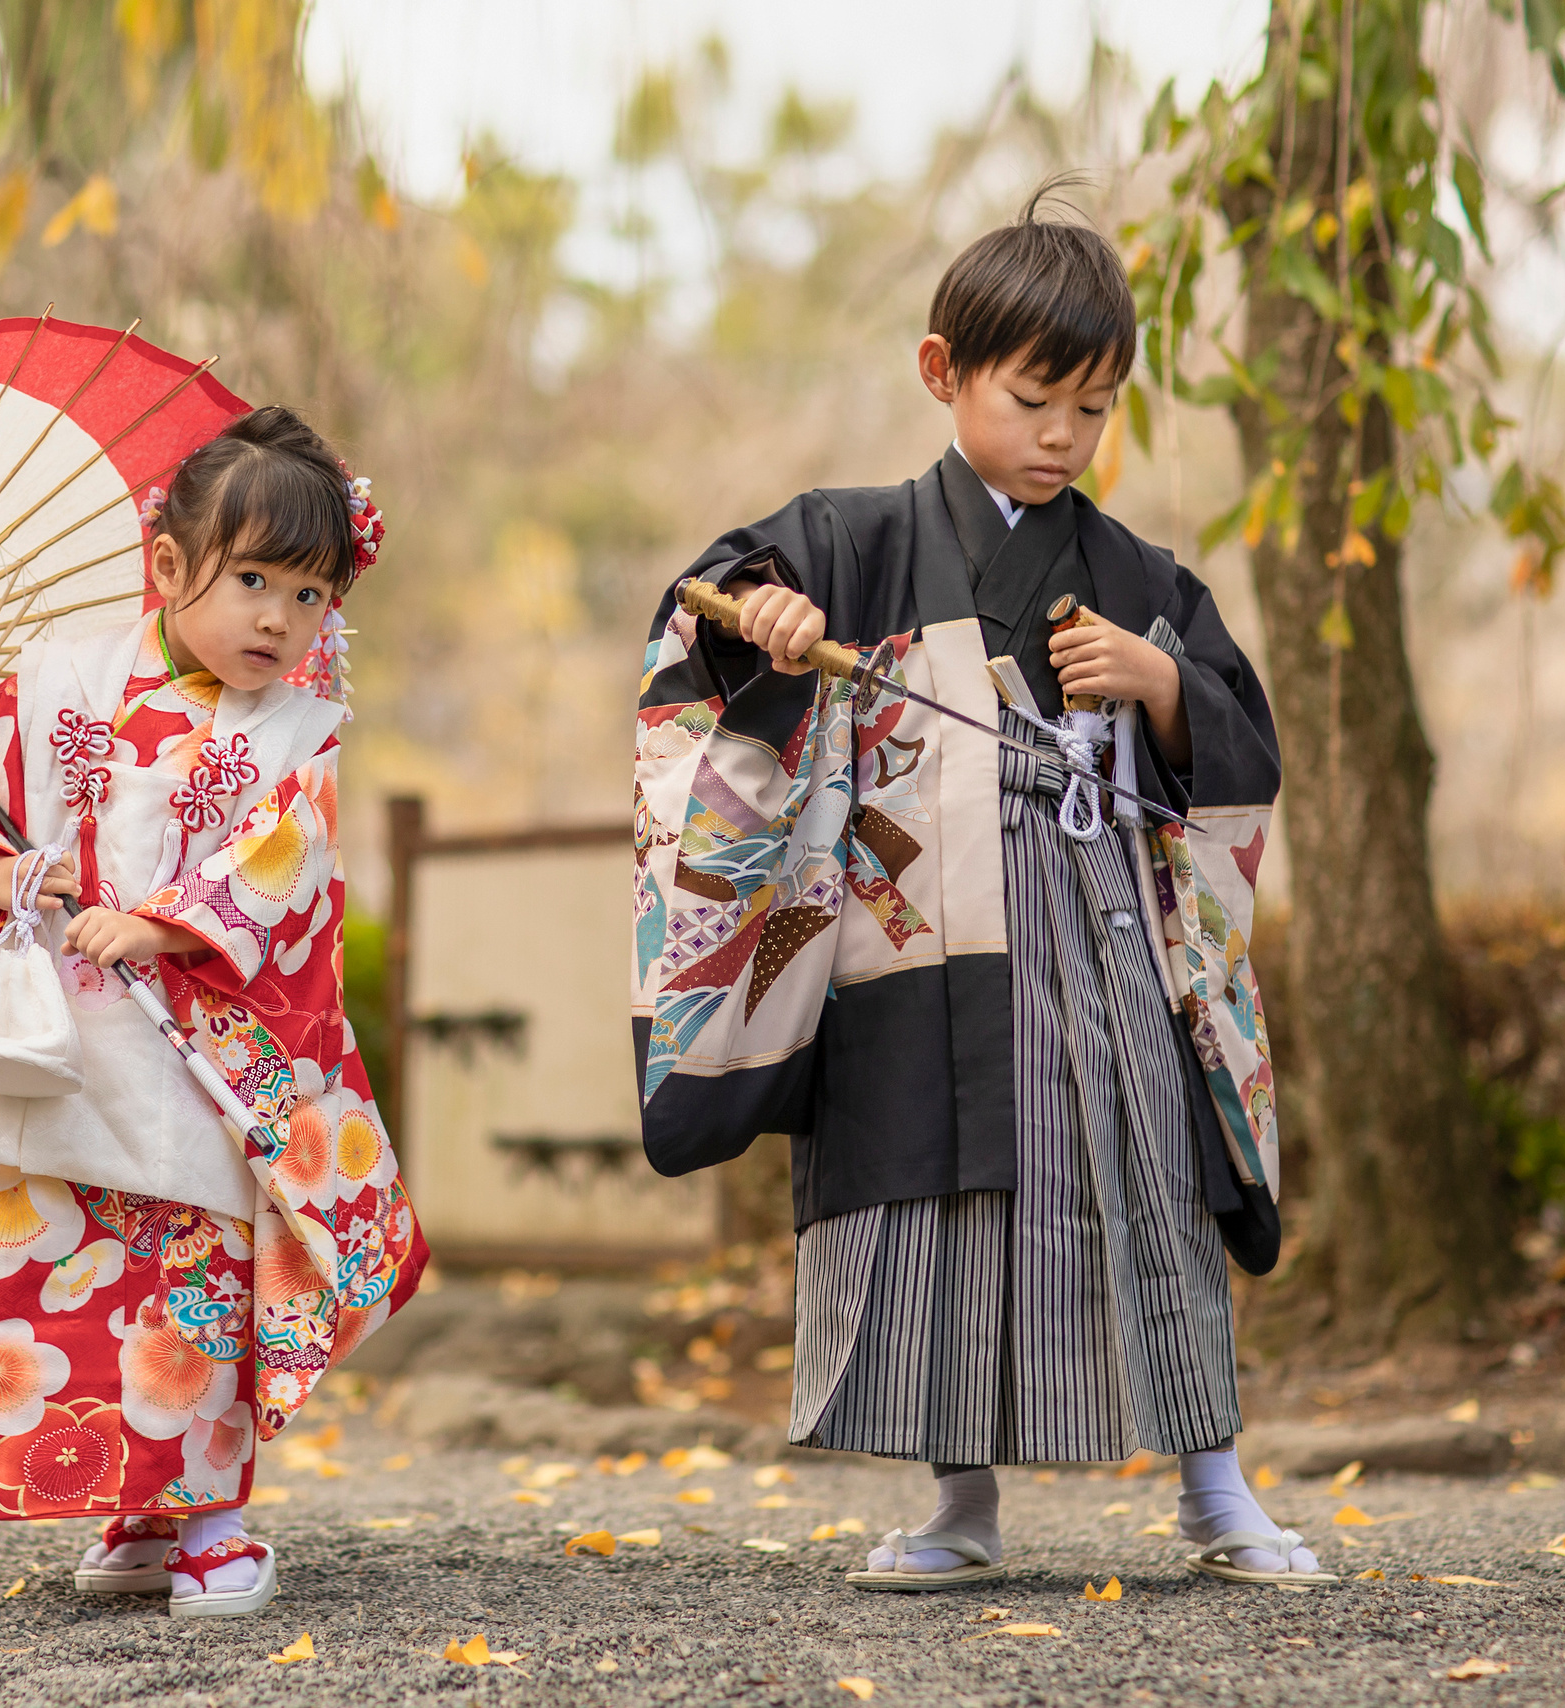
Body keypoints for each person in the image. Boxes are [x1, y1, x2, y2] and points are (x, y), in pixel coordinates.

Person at [632, 182, 1326, 1590]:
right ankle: (959, 1504)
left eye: (1095, 407)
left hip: (1105, 926)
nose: (1064, 437)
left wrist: (1164, 685)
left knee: (1153, 1184)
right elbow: (707, 616)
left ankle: (1215, 1489)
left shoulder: (1135, 573)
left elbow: (1237, 748)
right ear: (943, 374)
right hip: (915, 928)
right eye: (1033, 399)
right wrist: (768, 621)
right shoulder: (852, 537)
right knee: (935, 1206)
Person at [0, 405, 426, 1619]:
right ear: (170, 568)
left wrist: (168, 919)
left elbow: (289, 866)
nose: (280, 618)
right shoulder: (61, 680)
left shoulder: (295, 730)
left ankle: (213, 1522)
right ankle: (133, 1506)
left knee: (197, 1283)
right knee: (73, 1271)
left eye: (312, 594)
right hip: (64, 1041)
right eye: (252, 581)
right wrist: (6, 871)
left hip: (199, 1056)